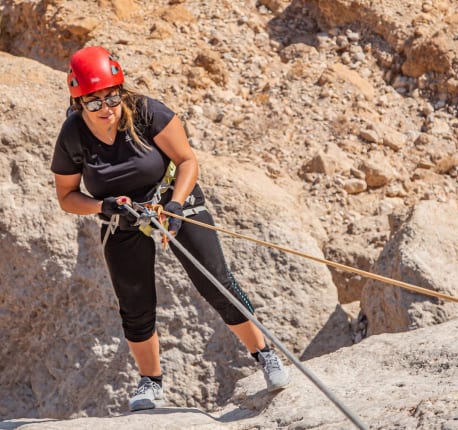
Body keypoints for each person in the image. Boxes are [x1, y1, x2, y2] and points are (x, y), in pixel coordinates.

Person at [50, 46, 290, 412]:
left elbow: (186, 160)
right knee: (134, 302)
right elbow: (67, 196)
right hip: (123, 215)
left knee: (215, 280)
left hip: (173, 198)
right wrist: (104, 205)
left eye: (112, 97)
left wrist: (175, 206)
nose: (107, 109)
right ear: (77, 100)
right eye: (94, 102)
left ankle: (265, 354)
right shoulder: (73, 136)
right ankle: (151, 382)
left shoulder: (146, 112)